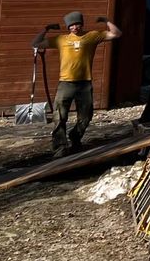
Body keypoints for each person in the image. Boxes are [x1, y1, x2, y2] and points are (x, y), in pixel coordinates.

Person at [32, 11, 122, 156]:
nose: (75, 27)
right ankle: (60, 146)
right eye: (71, 25)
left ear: (82, 24)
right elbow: (35, 43)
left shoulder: (92, 36)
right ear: (68, 27)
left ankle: (75, 136)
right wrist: (46, 29)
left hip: (84, 84)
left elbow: (116, 34)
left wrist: (106, 21)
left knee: (86, 116)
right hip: (65, 83)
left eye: (77, 24)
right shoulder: (61, 39)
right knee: (59, 116)